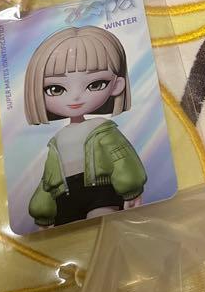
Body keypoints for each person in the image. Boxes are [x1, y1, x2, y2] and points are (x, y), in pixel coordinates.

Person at [24, 26, 147, 228]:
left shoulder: (102, 128)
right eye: (55, 89)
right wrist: (42, 210)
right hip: (65, 199)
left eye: (95, 84)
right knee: (75, 237)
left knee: (104, 228)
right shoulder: (57, 140)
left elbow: (121, 157)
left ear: (117, 85)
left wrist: (131, 189)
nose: (75, 97)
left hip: (99, 190)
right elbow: (49, 178)